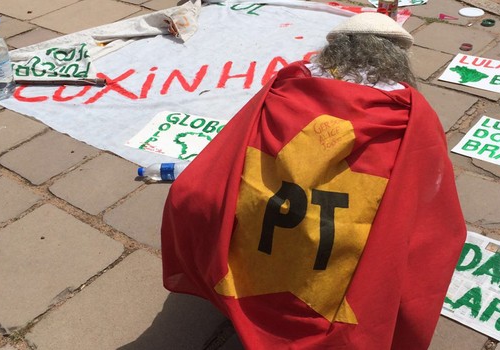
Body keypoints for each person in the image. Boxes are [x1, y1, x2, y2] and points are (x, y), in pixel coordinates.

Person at [161, 12, 466, 349]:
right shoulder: (411, 114)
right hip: (344, 251)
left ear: (332, 51)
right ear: (399, 59)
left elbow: (229, 150)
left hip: (263, 226)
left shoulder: (285, 87)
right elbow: (433, 209)